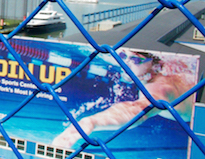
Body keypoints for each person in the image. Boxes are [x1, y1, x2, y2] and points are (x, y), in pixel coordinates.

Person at [52, 49, 197, 148]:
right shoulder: (158, 75)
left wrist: (91, 121)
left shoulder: (160, 88)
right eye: (122, 56)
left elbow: (137, 109)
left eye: (134, 59)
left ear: (155, 65)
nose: (125, 63)